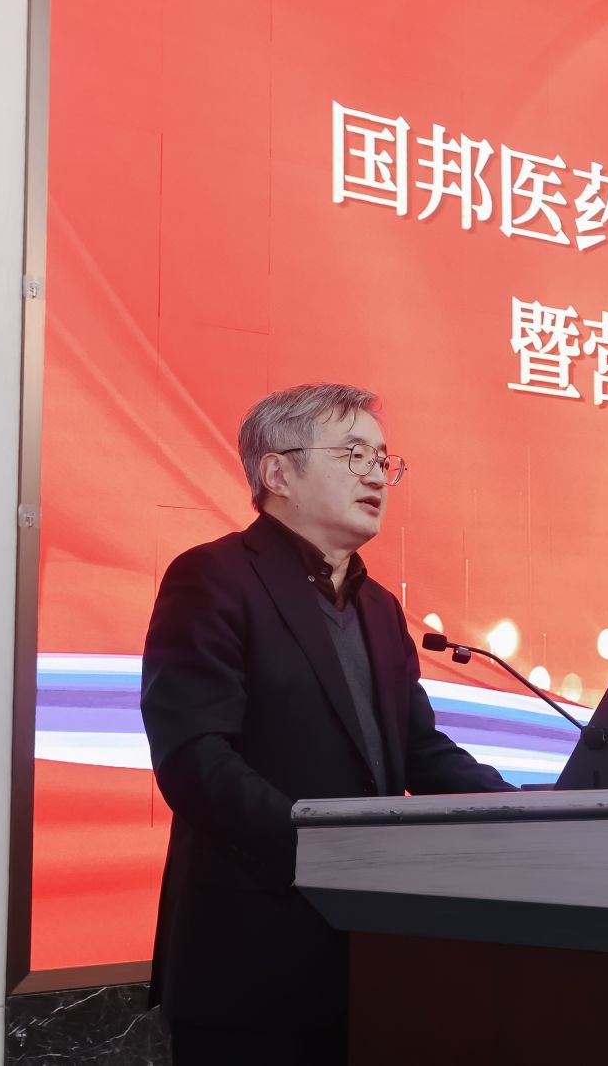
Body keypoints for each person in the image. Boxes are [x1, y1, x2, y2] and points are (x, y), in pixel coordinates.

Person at [140, 382, 512, 1064]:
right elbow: (194, 758)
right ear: (278, 472)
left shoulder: (379, 608)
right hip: (249, 960)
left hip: (371, 956)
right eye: (354, 454)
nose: (376, 475)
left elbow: (421, 752)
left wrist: (531, 813)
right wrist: (324, 853)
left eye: (383, 460)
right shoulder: (213, 578)